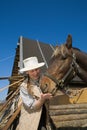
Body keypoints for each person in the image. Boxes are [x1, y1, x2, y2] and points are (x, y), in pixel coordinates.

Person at [17, 56, 52, 130]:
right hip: (32, 118)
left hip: (46, 116)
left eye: (37, 69)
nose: (35, 73)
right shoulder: (24, 87)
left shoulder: (45, 79)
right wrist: (42, 99)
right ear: (27, 72)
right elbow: (33, 107)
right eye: (32, 71)